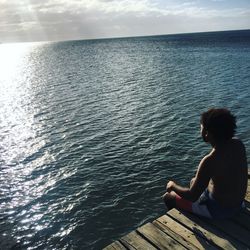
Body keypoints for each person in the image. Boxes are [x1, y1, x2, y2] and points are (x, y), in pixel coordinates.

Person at [163, 108, 248, 219]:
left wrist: (172, 186)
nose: (200, 129)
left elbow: (192, 196)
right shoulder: (238, 144)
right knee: (194, 181)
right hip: (238, 204)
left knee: (168, 197)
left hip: (220, 211)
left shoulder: (209, 161)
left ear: (207, 134)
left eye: (201, 127)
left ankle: (187, 221)